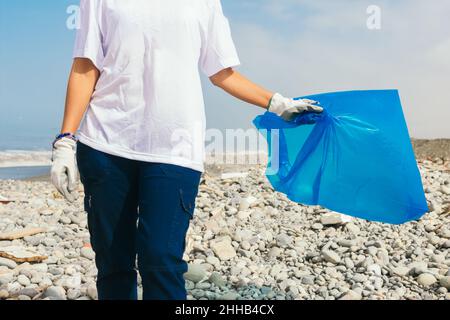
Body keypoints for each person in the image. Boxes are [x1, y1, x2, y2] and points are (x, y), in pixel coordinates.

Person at [51, 0, 323, 300]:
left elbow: (222, 73)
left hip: (176, 149)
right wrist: (66, 139)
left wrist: (278, 103)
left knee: (160, 261)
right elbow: (86, 66)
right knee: (113, 263)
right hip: (105, 144)